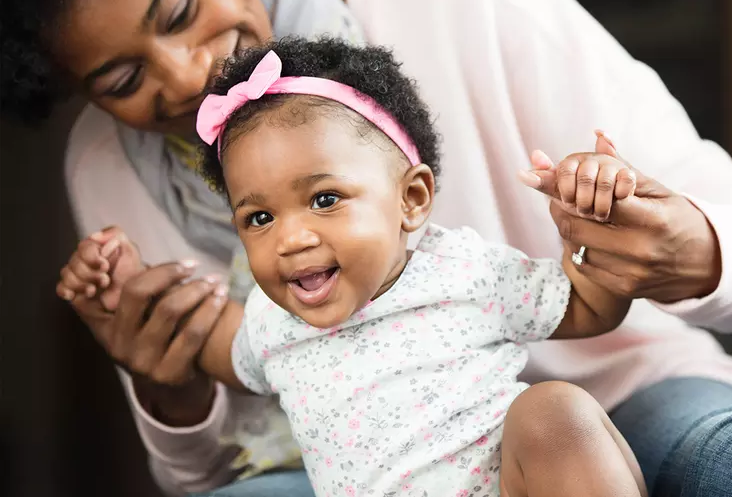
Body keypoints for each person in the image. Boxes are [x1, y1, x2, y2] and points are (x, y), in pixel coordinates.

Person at [2, 0, 732, 496]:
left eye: (179, 9)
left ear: (415, 195)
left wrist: (647, 246)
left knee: (727, 460)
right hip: (349, 470)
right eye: (122, 79)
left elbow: (600, 295)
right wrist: (161, 380)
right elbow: (213, 417)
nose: (182, 76)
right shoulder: (123, 182)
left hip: (615, 398)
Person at [59, 36, 649, 497]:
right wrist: (127, 284)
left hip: (513, 485)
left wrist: (596, 225)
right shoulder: (272, 322)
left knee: (555, 412)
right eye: (258, 218)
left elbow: (588, 306)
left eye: (324, 199)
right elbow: (209, 336)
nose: (290, 237)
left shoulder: (463, 270)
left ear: (411, 200)